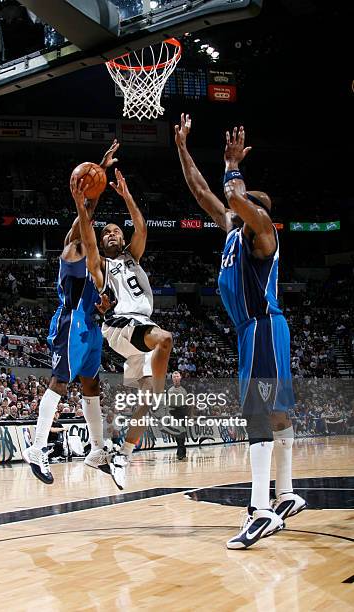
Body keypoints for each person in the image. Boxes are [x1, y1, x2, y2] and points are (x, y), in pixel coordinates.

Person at [175, 114, 306, 549]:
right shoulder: (233, 230)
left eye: (249, 203)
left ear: (259, 210)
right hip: (260, 329)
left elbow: (231, 192)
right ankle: (285, 495)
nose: (238, 206)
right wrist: (182, 148)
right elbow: (201, 192)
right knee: (276, 412)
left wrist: (233, 166)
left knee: (256, 412)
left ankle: (260, 510)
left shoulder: (264, 234)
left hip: (262, 326)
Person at [22, 141, 119, 485]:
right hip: (71, 322)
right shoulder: (73, 250)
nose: (104, 233)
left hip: (91, 327)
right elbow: (84, 224)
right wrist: (89, 195)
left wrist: (102, 176)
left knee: (92, 385)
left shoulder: (100, 263)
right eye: (100, 229)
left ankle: (96, 450)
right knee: (60, 382)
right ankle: (36, 448)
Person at [71, 168, 173, 490]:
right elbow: (86, 235)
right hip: (120, 325)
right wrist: (81, 204)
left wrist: (127, 196)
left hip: (141, 326)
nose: (112, 234)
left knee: (145, 402)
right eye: (107, 233)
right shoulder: (100, 265)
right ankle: (158, 387)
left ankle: (124, 455)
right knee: (165, 340)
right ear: (102, 242)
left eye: (116, 231)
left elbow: (140, 227)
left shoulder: (134, 257)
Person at [166, 371, 190, 460]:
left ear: (180, 377)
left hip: (182, 411)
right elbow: (166, 402)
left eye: (177, 376)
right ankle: (181, 451)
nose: (176, 378)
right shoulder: (168, 389)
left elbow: (190, 402)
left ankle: (181, 452)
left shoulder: (186, 388)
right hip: (172, 412)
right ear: (172, 379)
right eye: (174, 377)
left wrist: (190, 414)